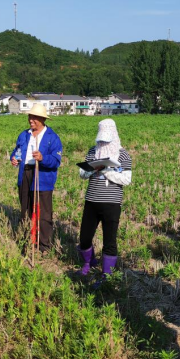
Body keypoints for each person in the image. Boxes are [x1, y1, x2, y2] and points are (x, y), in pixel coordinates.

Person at [77, 119, 132, 289]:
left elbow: (126, 179)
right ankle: (89, 263)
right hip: (91, 200)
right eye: (101, 140)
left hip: (111, 203)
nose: (103, 143)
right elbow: (81, 173)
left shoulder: (123, 155)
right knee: (84, 238)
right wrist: (92, 169)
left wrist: (107, 172)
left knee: (109, 240)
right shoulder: (93, 152)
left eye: (106, 140)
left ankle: (106, 275)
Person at [10, 104, 62, 253]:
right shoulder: (24, 135)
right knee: (25, 209)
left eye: (34, 118)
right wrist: (13, 158)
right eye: (29, 117)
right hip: (25, 173)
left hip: (43, 176)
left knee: (43, 213)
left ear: (42, 119)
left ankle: (44, 245)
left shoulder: (52, 137)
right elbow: (16, 151)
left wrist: (43, 158)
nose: (31, 120)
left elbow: (56, 161)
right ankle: (26, 240)